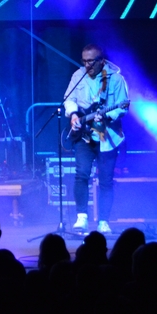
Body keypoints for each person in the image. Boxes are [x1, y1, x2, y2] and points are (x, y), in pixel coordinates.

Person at [63, 43, 129, 234]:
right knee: (81, 174)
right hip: (84, 136)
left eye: (91, 61)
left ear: (101, 61)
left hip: (107, 138)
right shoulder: (78, 75)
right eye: (84, 61)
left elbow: (123, 106)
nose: (87, 65)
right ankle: (81, 218)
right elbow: (69, 98)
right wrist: (73, 115)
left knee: (105, 180)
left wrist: (108, 116)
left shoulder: (116, 79)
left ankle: (103, 221)